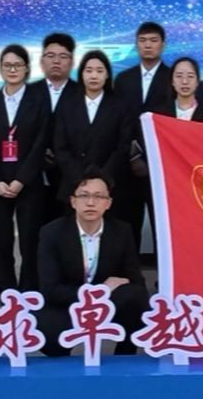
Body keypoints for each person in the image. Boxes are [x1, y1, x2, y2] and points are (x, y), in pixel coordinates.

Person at [37, 171, 148, 357]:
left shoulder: (121, 231)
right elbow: (50, 289)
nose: (90, 203)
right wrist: (100, 291)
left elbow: (136, 280)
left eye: (98, 197)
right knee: (49, 334)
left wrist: (106, 295)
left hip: (107, 303)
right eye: (84, 196)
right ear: (73, 201)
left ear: (108, 203)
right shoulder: (52, 233)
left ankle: (125, 355)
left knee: (135, 297)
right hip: (69, 302)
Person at [0, 44, 48, 293]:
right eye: (7, 65)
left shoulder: (39, 101)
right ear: (0, 69)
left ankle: (29, 292)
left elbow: (41, 143)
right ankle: (8, 293)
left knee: (29, 241)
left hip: (28, 182)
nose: (12, 70)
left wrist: (21, 180)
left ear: (27, 68)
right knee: (1, 241)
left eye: (17, 65)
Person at [114, 22, 171, 253]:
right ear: (136, 44)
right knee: (127, 222)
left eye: (153, 40)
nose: (148, 45)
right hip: (127, 163)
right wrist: (133, 154)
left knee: (163, 224)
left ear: (163, 45)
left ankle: (163, 274)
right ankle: (129, 272)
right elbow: (117, 119)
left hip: (161, 164)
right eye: (143, 40)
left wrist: (149, 156)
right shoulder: (123, 79)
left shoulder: (173, 78)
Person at [54, 50, 132, 202]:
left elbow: (123, 146)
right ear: (81, 74)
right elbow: (60, 147)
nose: (94, 76)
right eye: (89, 71)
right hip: (74, 186)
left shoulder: (120, 107)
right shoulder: (66, 106)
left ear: (107, 75)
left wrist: (103, 179)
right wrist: (79, 179)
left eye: (99, 71)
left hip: (111, 186)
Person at [32, 33, 77, 222]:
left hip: (70, 176)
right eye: (51, 56)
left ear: (72, 62)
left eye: (63, 56)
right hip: (34, 174)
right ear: (42, 61)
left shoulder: (82, 92)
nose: (56, 61)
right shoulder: (28, 92)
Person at [154, 57, 203, 123]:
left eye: (190, 76)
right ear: (172, 81)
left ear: (197, 81)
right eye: (179, 76)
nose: (185, 81)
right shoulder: (159, 114)